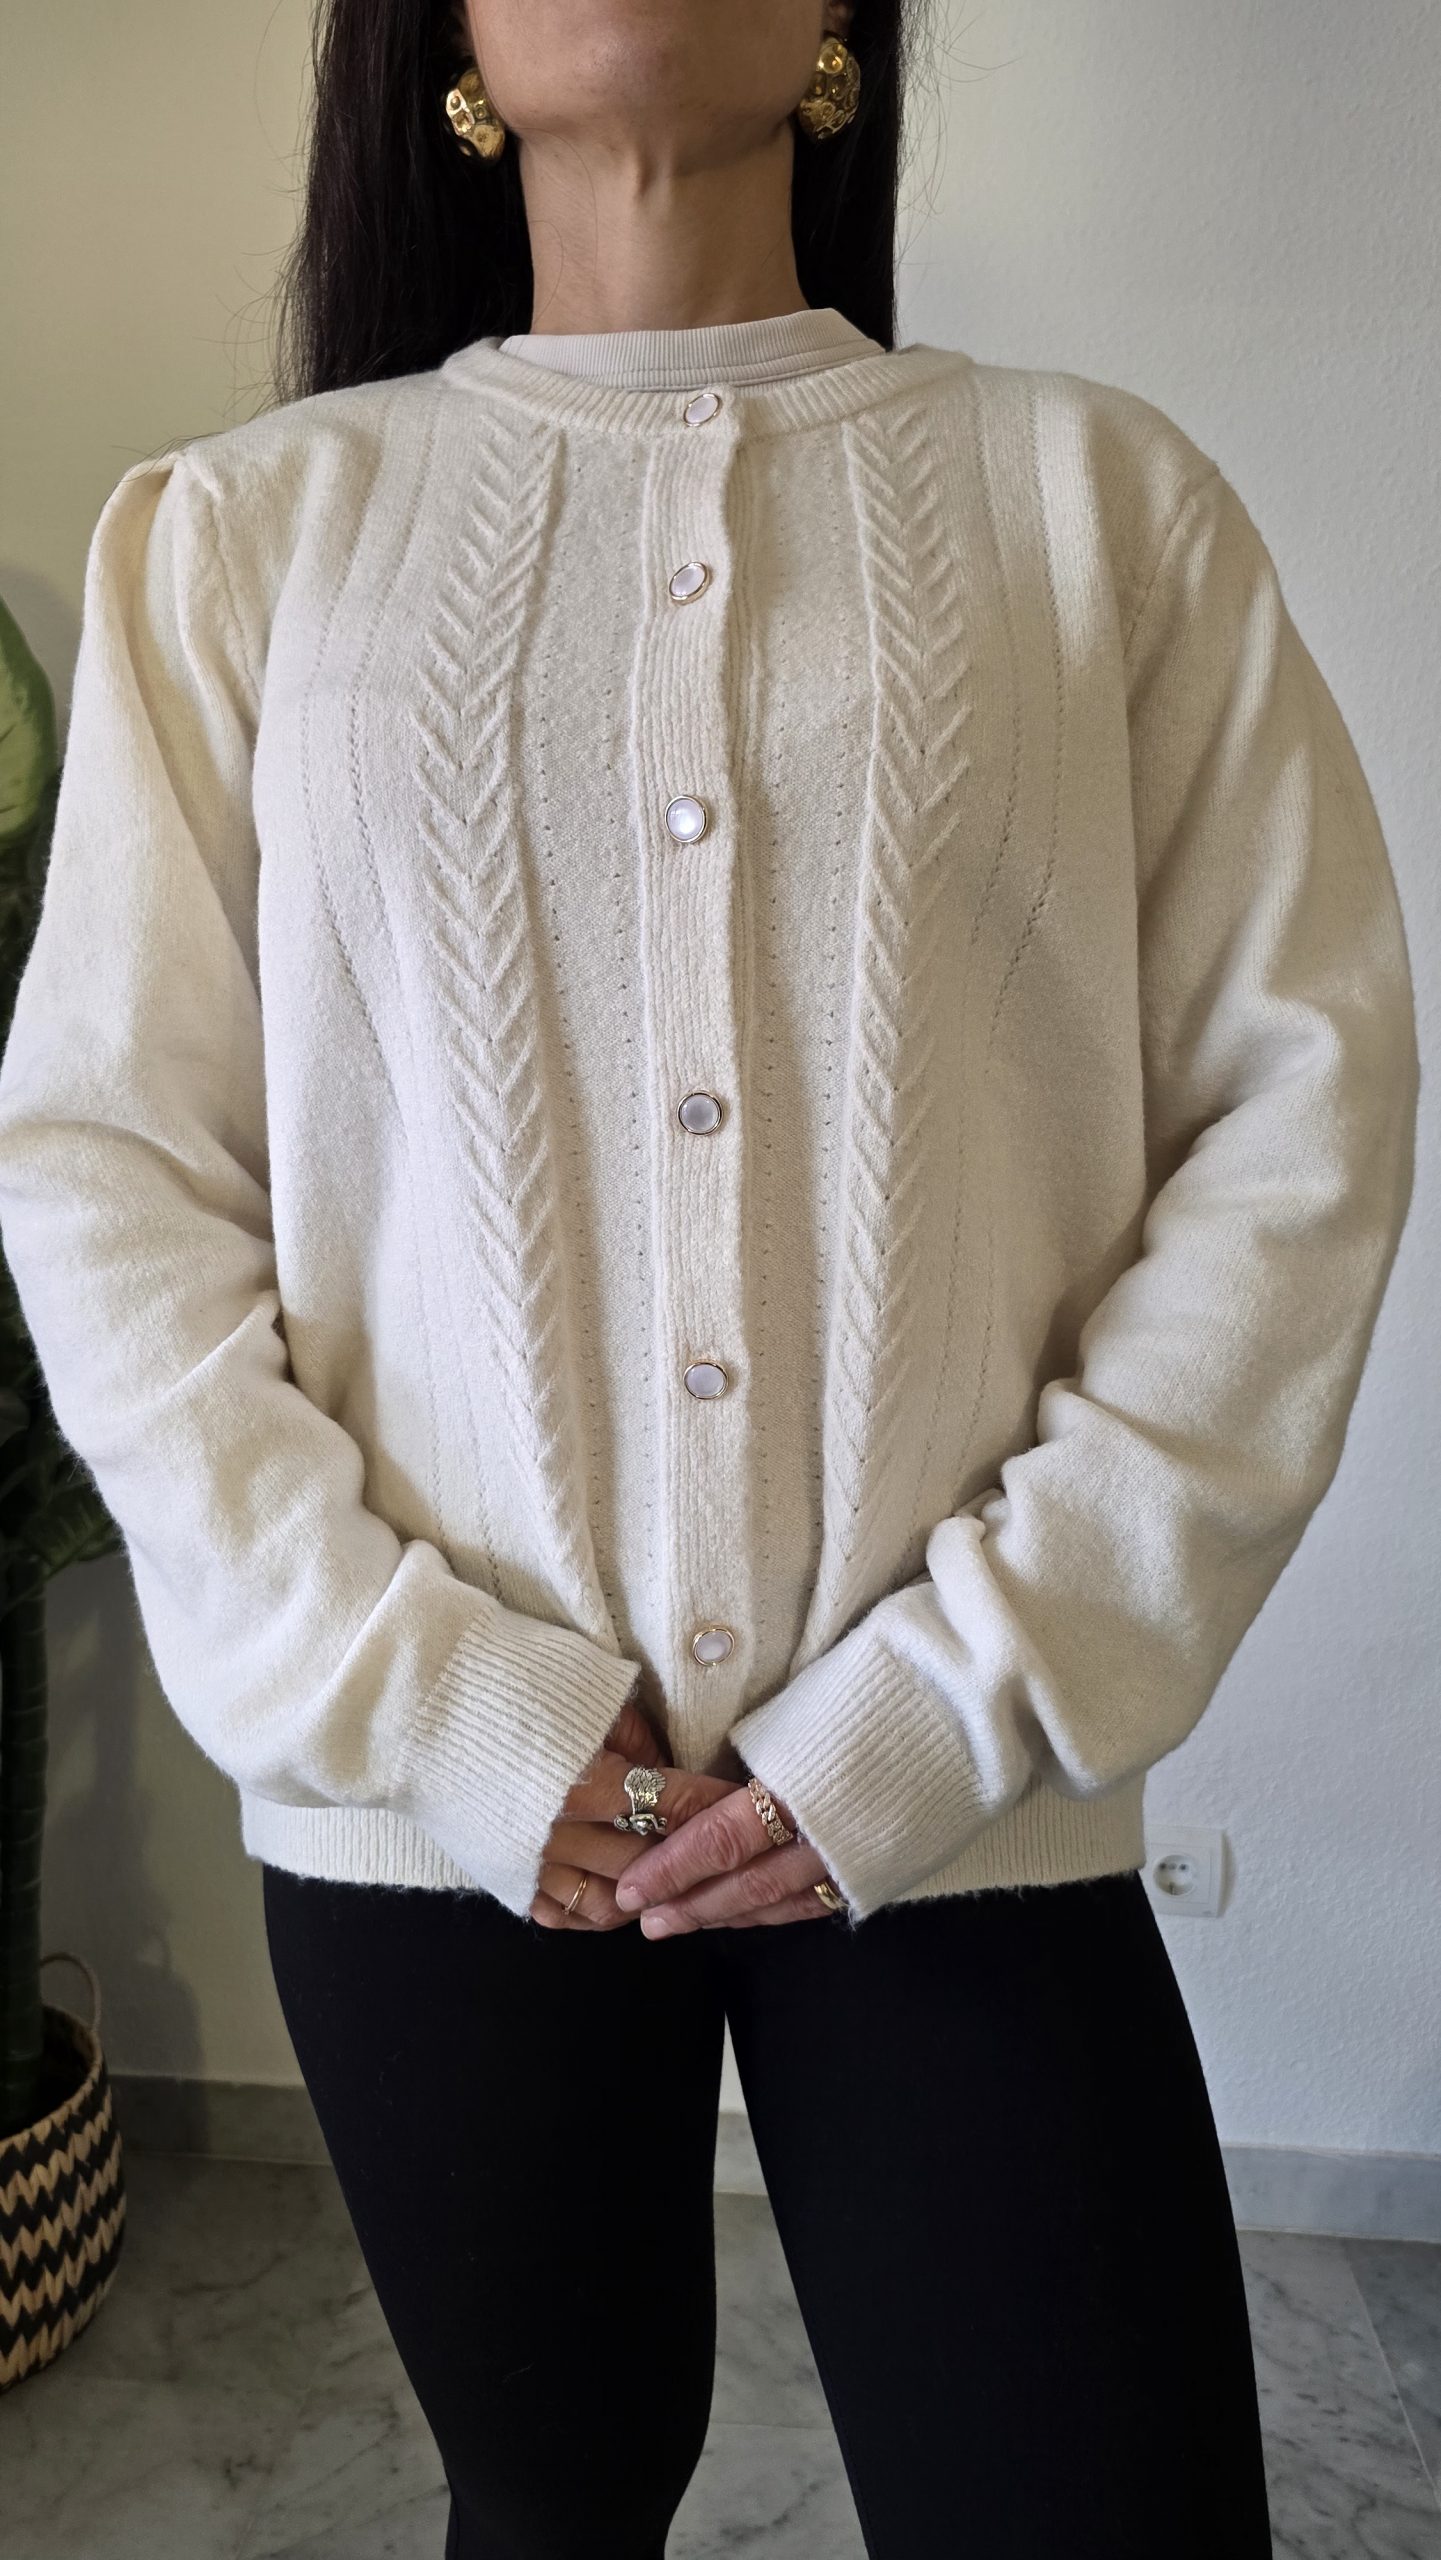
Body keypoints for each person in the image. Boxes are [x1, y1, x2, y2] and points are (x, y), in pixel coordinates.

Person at [0, 2, 1417, 2552]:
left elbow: (1300, 1109)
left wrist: (966, 1680)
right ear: (444, 49)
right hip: (440, 1814)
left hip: (966, 1798)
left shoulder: (1097, 503)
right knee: (552, 2497)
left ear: (838, 32)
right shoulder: (244, 536)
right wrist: (417, 1689)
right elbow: (112, 1169)